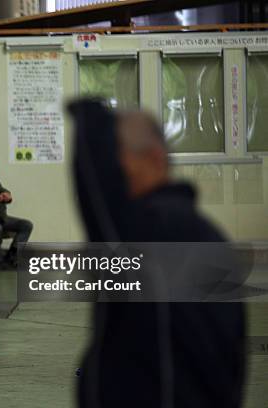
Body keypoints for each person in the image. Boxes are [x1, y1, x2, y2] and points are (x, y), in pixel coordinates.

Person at [69, 100, 246, 408]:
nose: (113, 173)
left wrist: (88, 118)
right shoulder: (210, 236)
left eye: (117, 158)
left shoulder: (145, 231)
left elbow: (96, 189)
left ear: (153, 158)